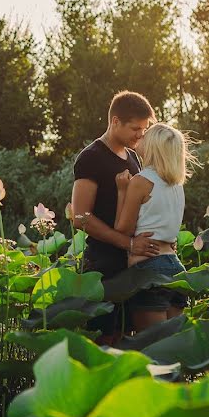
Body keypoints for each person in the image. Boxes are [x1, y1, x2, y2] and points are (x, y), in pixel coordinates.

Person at [71, 91, 160, 340]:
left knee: (132, 342)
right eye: (135, 129)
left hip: (133, 263)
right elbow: (80, 217)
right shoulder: (91, 158)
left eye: (144, 129)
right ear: (115, 122)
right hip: (103, 266)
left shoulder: (133, 158)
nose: (140, 135)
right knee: (107, 340)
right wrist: (128, 243)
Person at [113, 122, 194, 332]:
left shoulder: (141, 181)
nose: (140, 137)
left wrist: (122, 190)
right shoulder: (176, 185)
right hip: (175, 267)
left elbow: (123, 229)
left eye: (145, 135)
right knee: (172, 348)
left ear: (153, 146)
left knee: (152, 351)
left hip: (149, 270)